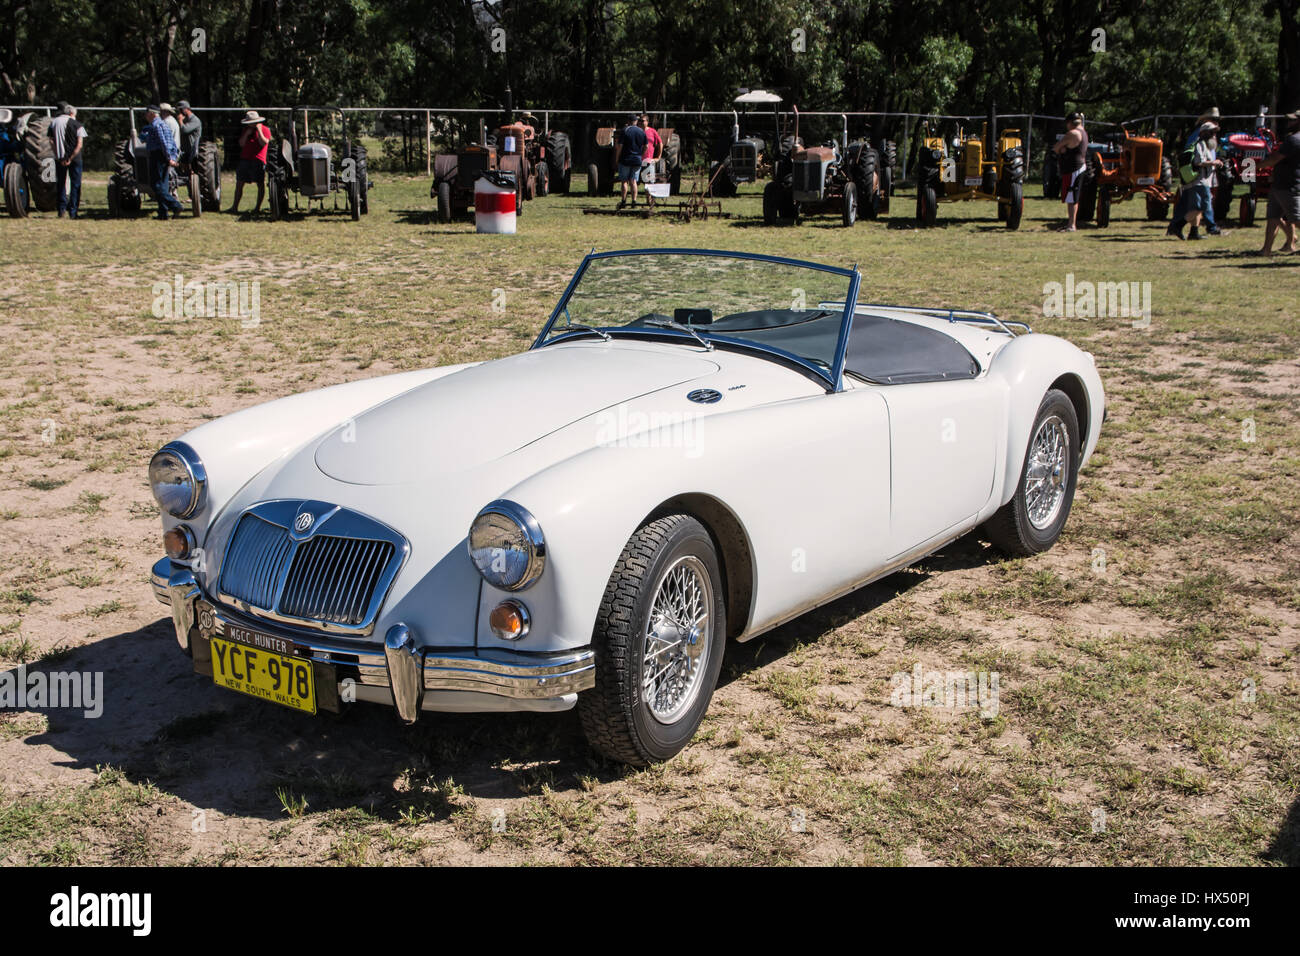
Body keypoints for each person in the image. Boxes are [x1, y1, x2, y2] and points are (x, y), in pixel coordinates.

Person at [1168, 107, 1222, 237]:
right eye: (1212, 131)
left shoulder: (1209, 143)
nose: (1215, 133)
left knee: (1195, 207)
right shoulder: (1198, 141)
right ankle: (1211, 227)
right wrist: (1213, 163)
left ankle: (1190, 230)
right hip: (1197, 179)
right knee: (1203, 204)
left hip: (1203, 179)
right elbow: (1197, 161)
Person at [1257, 110, 1300, 255]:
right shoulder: (1292, 138)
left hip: (1289, 185)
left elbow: (1275, 159)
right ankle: (1266, 250)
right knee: (1273, 217)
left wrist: (1256, 166)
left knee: (1297, 220)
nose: (1289, 123)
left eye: (1293, 120)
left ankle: (1287, 243)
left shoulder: (1294, 140)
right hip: (1279, 184)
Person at [140, 104, 183, 220]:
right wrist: (171, 157)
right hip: (163, 156)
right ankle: (163, 213)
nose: (145, 116)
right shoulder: (163, 124)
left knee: (156, 185)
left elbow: (164, 143)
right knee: (163, 185)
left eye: (147, 113)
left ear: (152, 114)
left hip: (158, 156)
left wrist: (169, 158)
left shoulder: (156, 125)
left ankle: (175, 205)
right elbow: (171, 143)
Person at [48, 102, 86, 219]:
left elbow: (51, 141)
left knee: (61, 183)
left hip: (60, 158)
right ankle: (73, 212)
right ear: (71, 113)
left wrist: (59, 156)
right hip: (75, 159)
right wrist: (70, 158)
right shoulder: (78, 125)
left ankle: (61, 210)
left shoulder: (54, 123)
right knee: (75, 184)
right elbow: (79, 145)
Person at [1052, 112, 1088, 231]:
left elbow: (1056, 147)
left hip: (1074, 168)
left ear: (1069, 123)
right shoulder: (1083, 132)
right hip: (1079, 166)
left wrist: (1062, 150)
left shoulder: (1073, 133)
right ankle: (1070, 223)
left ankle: (1072, 225)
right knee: (1072, 196)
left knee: (1071, 196)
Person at [229, 110, 270, 214]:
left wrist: (259, 131)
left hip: (258, 160)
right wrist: (247, 134)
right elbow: (241, 144)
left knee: (260, 184)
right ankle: (235, 207)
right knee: (239, 183)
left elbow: (263, 143)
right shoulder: (246, 130)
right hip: (245, 159)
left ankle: (257, 208)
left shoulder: (265, 129)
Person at [614, 112, 646, 208]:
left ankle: (623, 201)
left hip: (625, 159)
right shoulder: (641, 132)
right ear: (636, 121)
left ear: (628, 121)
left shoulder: (625, 130)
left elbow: (620, 146)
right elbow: (646, 146)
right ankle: (634, 202)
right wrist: (641, 154)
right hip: (637, 160)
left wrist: (617, 158)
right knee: (633, 181)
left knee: (624, 181)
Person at [176, 100, 202, 167]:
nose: (180, 112)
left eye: (181, 109)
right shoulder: (184, 119)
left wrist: (180, 121)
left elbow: (185, 130)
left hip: (193, 150)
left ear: (187, 109)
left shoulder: (195, 120)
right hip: (184, 149)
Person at [638, 114, 662, 186]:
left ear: (647, 122)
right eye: (639, 121)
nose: (640, 122)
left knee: (649, 182)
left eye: (642, 121)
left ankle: (650, 197)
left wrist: (658, 157)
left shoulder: (652, 131)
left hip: (648, 160)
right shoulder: (637, 131)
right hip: (637, 160)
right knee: (634, 181)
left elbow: (660, 143)